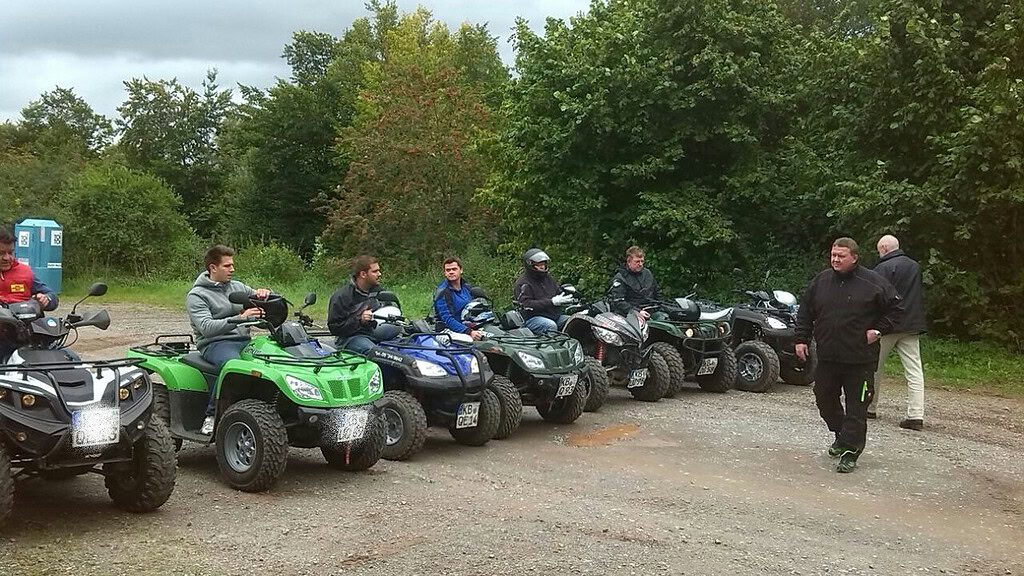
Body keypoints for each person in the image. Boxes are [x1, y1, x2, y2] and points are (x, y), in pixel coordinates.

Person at [795, 237, 903, 473]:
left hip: (860, 359)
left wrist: (878, 330)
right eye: (833, 255)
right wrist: (801, 339)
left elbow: (897, 309)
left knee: (857, 408)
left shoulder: (873, 282)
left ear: (854, 257)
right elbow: (805, 311)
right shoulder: (821, 281)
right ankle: (842, 436)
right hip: (828, 356)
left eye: (841, 256)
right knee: (824, 399)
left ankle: (850, 452)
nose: (835, 260)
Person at [185, 244, 270, 435]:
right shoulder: (197, 295)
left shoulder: (238, 287)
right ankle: (211, 416)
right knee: (234, 366)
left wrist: (264, 294)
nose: (232, 269)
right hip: (216, 344)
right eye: (227, 266)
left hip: (244, 341)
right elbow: (207, 328)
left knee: (274, 363)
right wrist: (241, 318)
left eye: (232, 265)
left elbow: (258, 300)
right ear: (213, 268)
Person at [869, 235, 927, 430]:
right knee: (914, 370)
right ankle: (916, 415)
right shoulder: (914, 266)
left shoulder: (882, 269)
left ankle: (870, 407)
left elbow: (877, 298)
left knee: (874, 367)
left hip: (888, 326)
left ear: (885, 248)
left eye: (879, 250)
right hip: (911, 324)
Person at [1, 227, 59, 362]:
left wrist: (46, 299)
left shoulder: (24, 272)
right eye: (1, 253)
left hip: (26, 335)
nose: (7, 258)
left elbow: (51, 296)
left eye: (10, 252)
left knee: (66, 357)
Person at [327, 255, 401, 353]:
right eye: (375, 271)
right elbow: (335, 328)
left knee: (405, 349)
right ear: (363, 274)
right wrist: (360, 320)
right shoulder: (342, 296)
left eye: (379, 271)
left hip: (379, 336)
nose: (379, 274)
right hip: (351, 338)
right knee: (376, 353)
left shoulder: (380, 293)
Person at [513, 248, 572, 334]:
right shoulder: (523, 283)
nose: (542, 266)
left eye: (543, 263)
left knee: (572, 321)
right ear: (530, 265)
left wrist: (567, 299)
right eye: (538, 264)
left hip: (553, 316)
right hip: (532, 318)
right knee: (550, 325)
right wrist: (552, 302)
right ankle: (553, 343)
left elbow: (558, 293)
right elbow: (526, 305)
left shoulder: (547, 278)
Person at [433, 257, 484, 340]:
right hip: (446, 331)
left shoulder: (467, 288)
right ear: (445, 273)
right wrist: (469, 332)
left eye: (454, 269)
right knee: (468, 340)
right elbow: (447, 319)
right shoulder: (443, 292)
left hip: (467, 326)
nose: (451, 272)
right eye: (448, 270)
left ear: (461, 270)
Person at [607, 245, 659, 319]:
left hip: (650, 310)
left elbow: (657, 293)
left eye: (642, 261)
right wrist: (637, 311)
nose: (640, 264)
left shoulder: (647, 274)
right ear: (629, 262)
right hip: (629, 315)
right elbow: (618, 301)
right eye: (637, 261)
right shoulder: (620, 278)